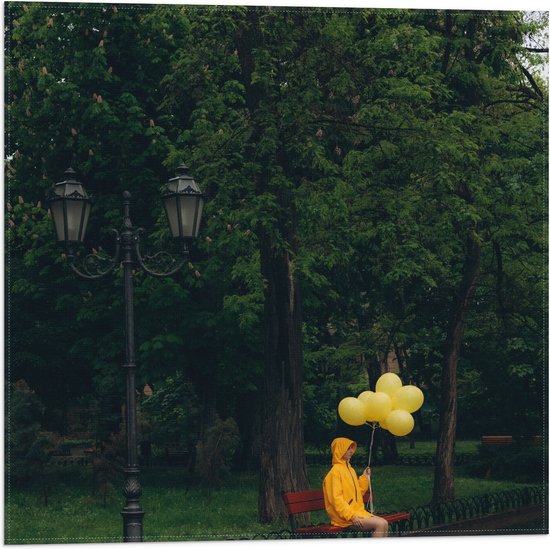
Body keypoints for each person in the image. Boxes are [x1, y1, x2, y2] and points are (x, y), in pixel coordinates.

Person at [322, 437, 389, 537]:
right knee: (380, 524)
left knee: (384, 523)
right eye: (347, 448)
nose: (351, 451)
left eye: (351, 448)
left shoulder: (350, 470)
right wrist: (352, 516)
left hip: (357, 513)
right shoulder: (334, 473)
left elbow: (358, 493)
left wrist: (365, 477)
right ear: (339, 450)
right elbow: (337, 500)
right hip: (345, 518)